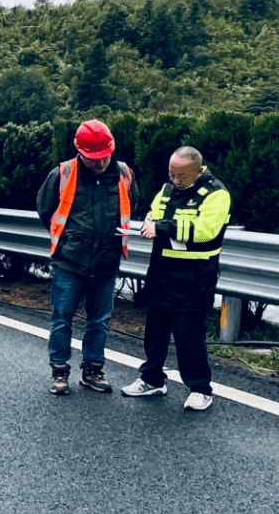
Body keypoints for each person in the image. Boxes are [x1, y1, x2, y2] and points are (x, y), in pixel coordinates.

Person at [121, 147, 231, 411]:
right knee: (154, 332)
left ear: (198, 170)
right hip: (161, 271)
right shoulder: (167, 189)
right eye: (172, 173)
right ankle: (152, 379)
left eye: (182, 175)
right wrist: (149, 224)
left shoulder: (216, 194)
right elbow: (153, 213)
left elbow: (205, 231)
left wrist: (161, 228)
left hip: (194, 276)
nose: (176, 180)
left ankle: (200, 388)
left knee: (187, 336)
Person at [37, 120, 135, 395]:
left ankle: (93, 370)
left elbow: (130, 206)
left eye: (104, 156)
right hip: (70, 262)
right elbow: (46, 209)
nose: (100, 162)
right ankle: (59, 372)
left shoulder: (124, 174)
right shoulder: (63, 173)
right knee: (61, 318)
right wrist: (69, 239)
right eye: (94, 158)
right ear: (80, 152)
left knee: (99, 321)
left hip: (106, 262)